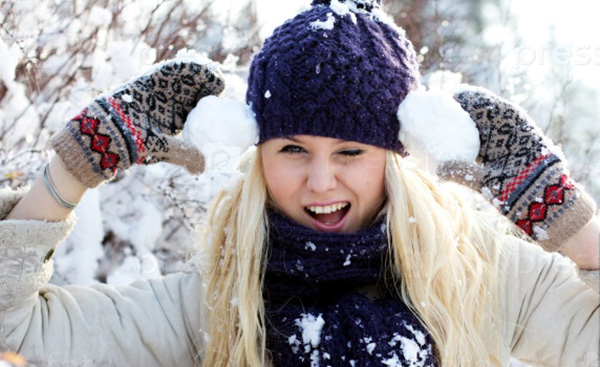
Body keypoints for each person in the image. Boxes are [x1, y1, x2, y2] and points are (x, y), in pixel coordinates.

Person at [1, 0, 598, 366]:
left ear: (397, 156)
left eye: (350, 151)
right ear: (257, 153)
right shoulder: (215, 304)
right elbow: (16, 333)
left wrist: (570, 224)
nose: (319, 181)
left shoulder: (478, 278)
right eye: (292, 149)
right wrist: (72, 170)